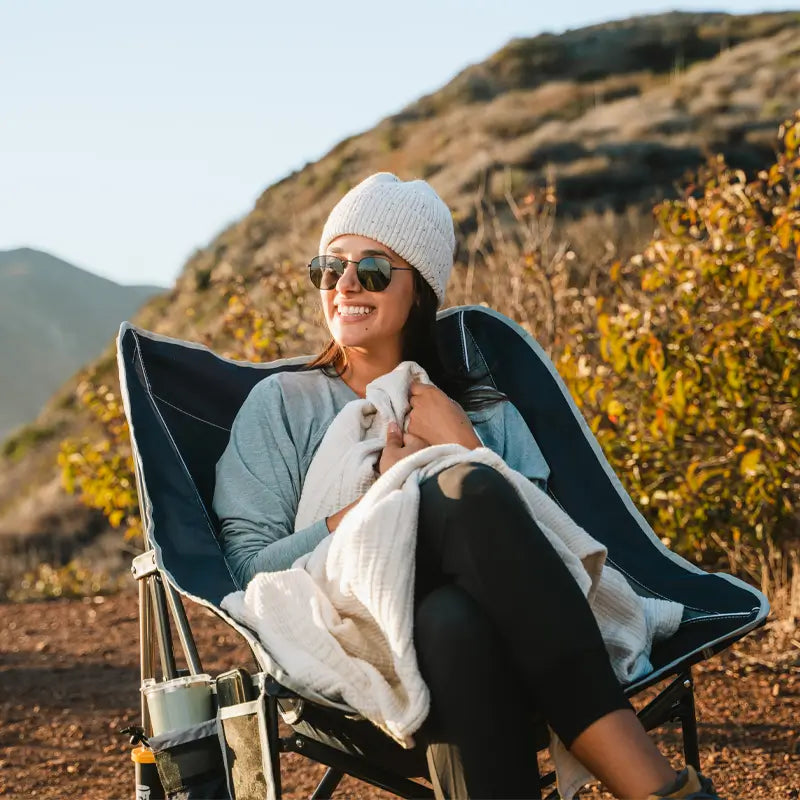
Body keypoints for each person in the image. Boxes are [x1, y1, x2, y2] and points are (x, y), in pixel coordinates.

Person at [213, 173, 720, 800]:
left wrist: (465, 442)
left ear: (419, 290)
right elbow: (246, 574)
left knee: (452, 618)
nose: (344, 285)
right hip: (345, 621)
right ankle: (655, 785)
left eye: (371, 270)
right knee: (468, 490)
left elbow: (545, 551)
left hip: (489, 635)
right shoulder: (283, 405)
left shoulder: (480, 407)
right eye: (329, 267)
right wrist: (381, 500)